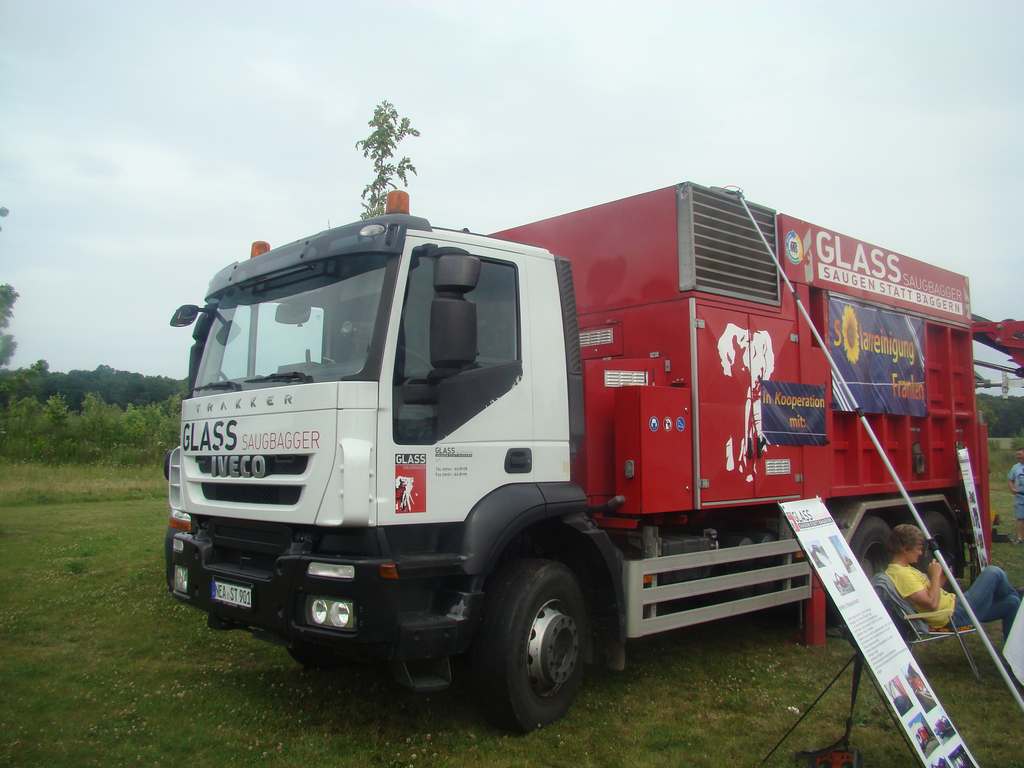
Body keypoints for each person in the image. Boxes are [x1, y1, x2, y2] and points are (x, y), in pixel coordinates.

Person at [886, 524, 1020, 639]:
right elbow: (932, 604)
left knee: (1012, 603)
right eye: (918, 548)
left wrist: (943, 575)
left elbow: (933, 594)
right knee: (993, 572)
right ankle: (1017, 594)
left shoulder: (906, 569)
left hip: (955, 607)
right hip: (954, 614)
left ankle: (1011, 659)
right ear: (905, 549)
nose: (920, 553)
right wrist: (935, 575)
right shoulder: (901, 574)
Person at [1008, 448, 1024, 544]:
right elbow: (1010, 480)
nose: (1018, 456)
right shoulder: (1015, 467)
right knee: (1020, 518)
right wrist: (1012, 488)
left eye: (1020, 454)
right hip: (1020, 496)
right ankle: (1020, 538)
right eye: (1017, 454)